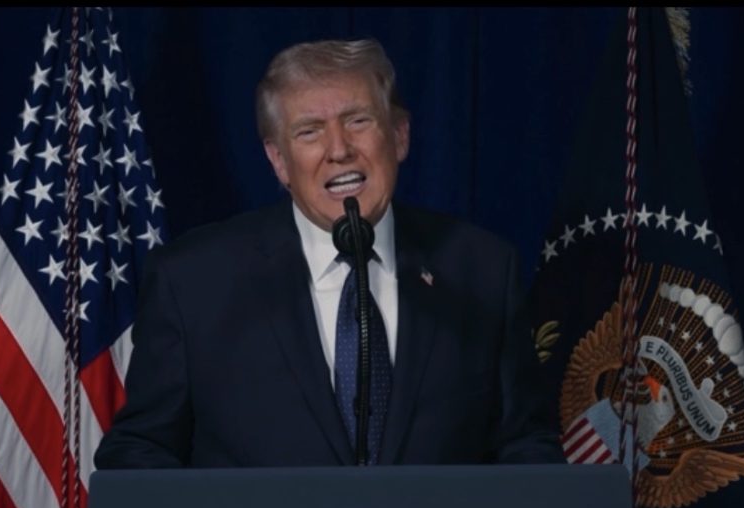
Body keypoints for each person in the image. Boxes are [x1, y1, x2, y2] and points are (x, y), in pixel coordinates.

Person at [94, 38, 562, 468]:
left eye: (359, 121)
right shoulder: (194, 281)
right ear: (278, 160)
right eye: (309, 132)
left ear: (399, 136)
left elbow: (524, 445)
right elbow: (141, 450)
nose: (339, 150)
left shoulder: (480, 268)